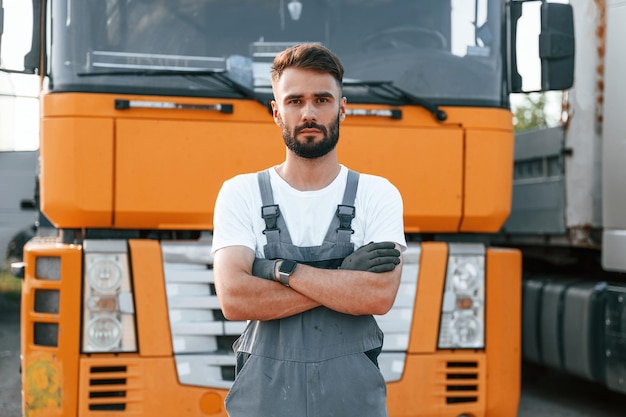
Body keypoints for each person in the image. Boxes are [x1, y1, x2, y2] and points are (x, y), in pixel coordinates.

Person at [212, 43, 407, 417]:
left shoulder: (377, 193)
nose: (309, 113)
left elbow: (378, 296)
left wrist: (275, 271)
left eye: (322, 99)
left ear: (342, 107)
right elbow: (235, 299)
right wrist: (344, 277)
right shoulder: (241, 193)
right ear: (276, 111)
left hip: (351, 402)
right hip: (264, 401)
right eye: (295, 101)